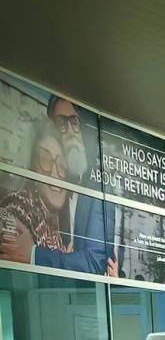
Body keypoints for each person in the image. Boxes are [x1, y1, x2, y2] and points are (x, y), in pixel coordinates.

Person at [0, 96, 117, 274]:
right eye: (61, 123)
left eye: (74, 122)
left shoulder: (97, 191)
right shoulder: (22, 207)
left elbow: (94, 263)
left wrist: (35, 255)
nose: (69, 131)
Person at [0, 119, 70, 254]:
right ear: (33, 169)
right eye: (45, 160)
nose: (55, 173)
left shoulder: (54, 225)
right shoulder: (17, 208)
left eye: (61, 164)